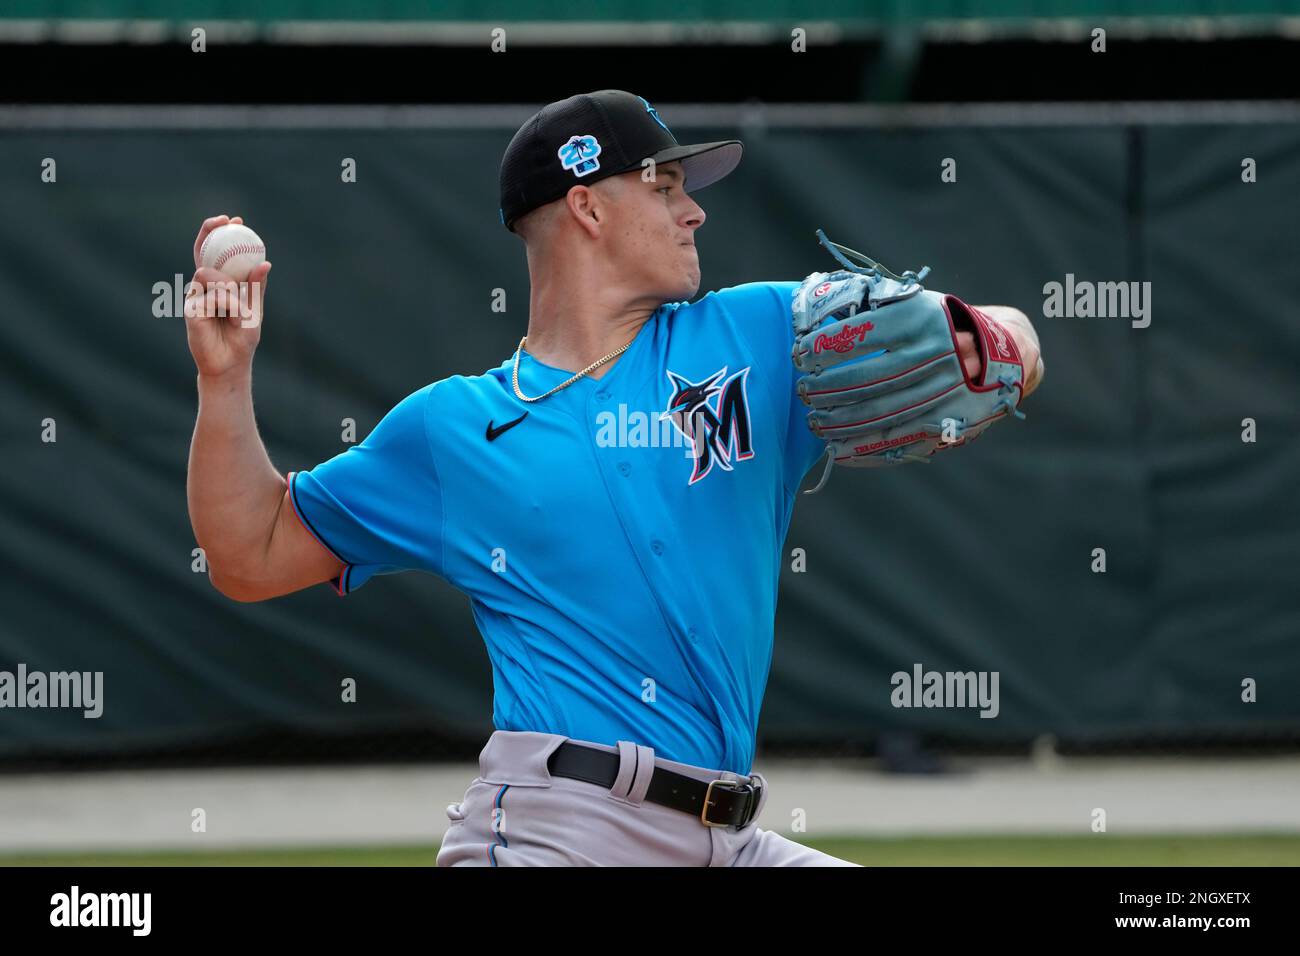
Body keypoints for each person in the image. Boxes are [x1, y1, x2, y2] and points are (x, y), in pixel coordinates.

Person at [184, 89, 1043, 867]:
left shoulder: (756, 337)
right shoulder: (456, 428)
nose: (694, 211)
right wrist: (224, 382)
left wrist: (989, 342)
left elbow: (1007, 341)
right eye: (665, 185)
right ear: (587, 205)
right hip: (560, 833)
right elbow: (250, 553)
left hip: (731, 839)